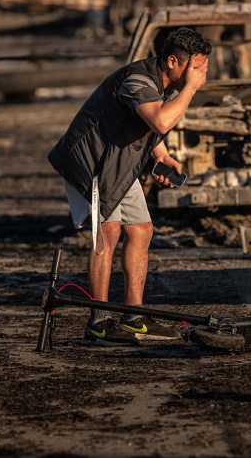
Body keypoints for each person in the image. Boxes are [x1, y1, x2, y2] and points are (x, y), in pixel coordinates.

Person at [47, 28, 212, 345]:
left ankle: (133, 317)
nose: (201, 75)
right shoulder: (138, 80)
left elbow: (148, 126)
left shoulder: (161, 83)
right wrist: (190, 90)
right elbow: (160, 121)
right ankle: (98, 321)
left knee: (141, 230)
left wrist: (160, 154)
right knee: (108, 233)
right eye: (196, 68)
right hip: (91, 163)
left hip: (120, 165)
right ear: (174, 62)